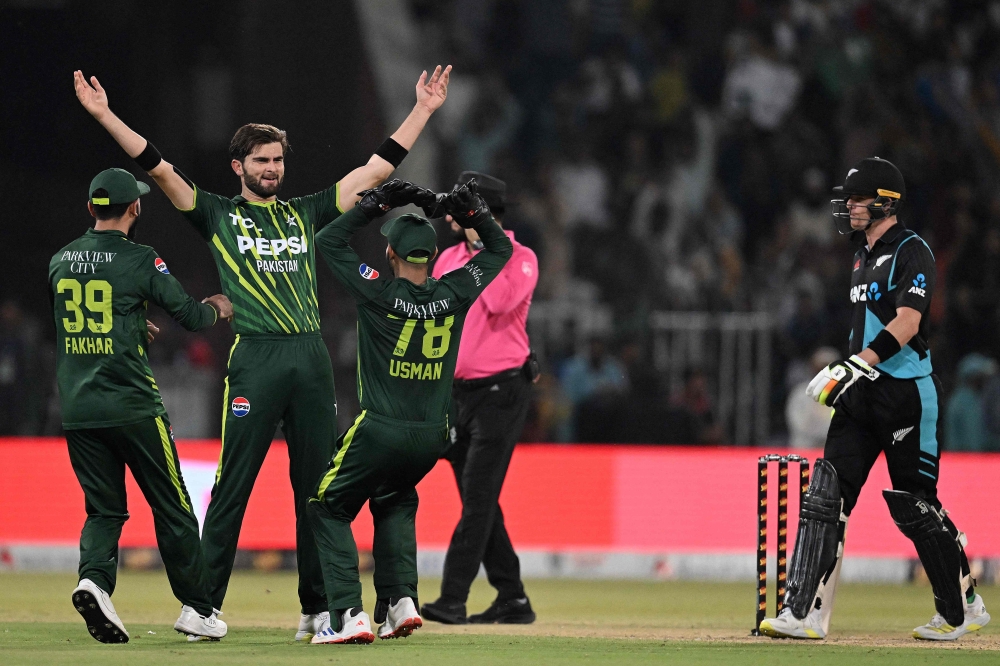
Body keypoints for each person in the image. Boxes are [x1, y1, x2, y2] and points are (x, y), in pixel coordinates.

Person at [73, 65, 451, 640]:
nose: (272, 168)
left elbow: (376, 171)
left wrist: (422, 109)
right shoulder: (216, 214)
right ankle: (202, 607)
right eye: (261, 160)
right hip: (255, 359)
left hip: (310, 358)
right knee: (234, 485)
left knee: (317, 488)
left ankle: (319, 609)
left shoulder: (307, 211)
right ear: (238, 166)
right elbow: (159, 168)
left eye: (277, 160)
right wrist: (105, 116)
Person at [760, 158, 990, 641]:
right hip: (861, 394)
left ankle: (963, 608)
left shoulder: (911, 249)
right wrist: (854, 370)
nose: (849, 207)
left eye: (857, 200)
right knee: (826, 497)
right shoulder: (860, 255)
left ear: (885, 202)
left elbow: (908, 322)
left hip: (907, 394)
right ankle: (803, 614)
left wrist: (857, 362)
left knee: (915, 506)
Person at [307, 179, 512, 644]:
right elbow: (500, 249)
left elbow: (328, 239)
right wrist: (476, 214)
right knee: (395, 498)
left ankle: (347, 615)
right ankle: (401, 603)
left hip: (381, 428)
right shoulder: (456, 290)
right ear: (433, 256)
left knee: (328, 506)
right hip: (433, 435)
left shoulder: (377, 291)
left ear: (390, 254)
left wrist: (376, 204)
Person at [50, 168, 234, 643]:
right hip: (132, 404)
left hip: (79, 407)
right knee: (172, 506)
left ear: (91, 208)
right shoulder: (140, 258)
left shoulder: (60, 260)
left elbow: (82, 325)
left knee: (104, 510)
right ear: (135, 207)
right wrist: (217, 308)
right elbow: (189, 316)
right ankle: (198, 609)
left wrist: (131, 327)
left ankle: (94, 581)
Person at [421, 172, 539, 625]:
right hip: (456, 394)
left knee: (478, 499)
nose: (449, 216)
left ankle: (453, 598)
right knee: (479, 500)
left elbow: (501, 302)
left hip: (501, 393)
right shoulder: (448, 257)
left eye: (458, 208)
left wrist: (486, 249)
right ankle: (512, 597)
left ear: (479, 211)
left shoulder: (521, 259)